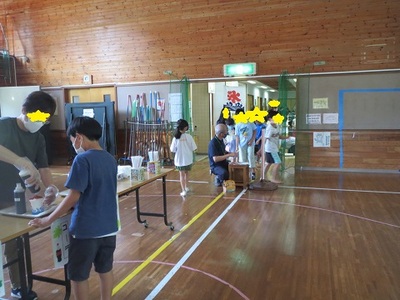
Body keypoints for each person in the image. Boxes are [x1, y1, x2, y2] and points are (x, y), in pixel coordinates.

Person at [29, 116, 119, 300]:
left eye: (72, 140)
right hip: (109, 228)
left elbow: (73, 196)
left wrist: (47, 219)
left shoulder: (82, 160)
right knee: (105, 268)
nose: (72, 145)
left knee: (78, 275)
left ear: (78, 137)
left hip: (85, 230)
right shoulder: (110, 159)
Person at [0, 90, 58, 300]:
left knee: (15, 242)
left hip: (15, 198)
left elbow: (43, 169)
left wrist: (50, 188)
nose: (39, 124)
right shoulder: (4, 126)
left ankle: (17, 286)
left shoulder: (38, 138)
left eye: (44, 120)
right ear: (24, 111)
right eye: (36, 118)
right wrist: (20, 160)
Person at [170, 119, 197, 197]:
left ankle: (183, 190)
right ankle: (186, 187)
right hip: (188, 159)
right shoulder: (189, 137)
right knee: (187, 173)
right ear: (185, 127)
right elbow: (194, 148)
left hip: (179, 160)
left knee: (181, 175)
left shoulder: (175, 138)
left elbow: (172, 149)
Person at [261, 110, 289, 184]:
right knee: (278, 162)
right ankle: (273, 178)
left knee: (269, 163)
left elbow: (278, 136)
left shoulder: (277, 126)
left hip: (274, 147)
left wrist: (286, 137)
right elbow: (265, 138)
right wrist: (261, 149)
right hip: (270, 148)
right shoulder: (269, 128)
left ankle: (262, 177)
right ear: (270, 119)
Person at [234, 108, 257, 180]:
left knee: (250, 156)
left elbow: (255, 130)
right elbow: (237, 135)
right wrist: (237, 146)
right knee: (242, 158)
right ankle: (244, 173)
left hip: (250, 143)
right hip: (242, 144)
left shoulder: (249, 122)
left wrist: (252, 139)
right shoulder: (237, 124)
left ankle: (253, 172)